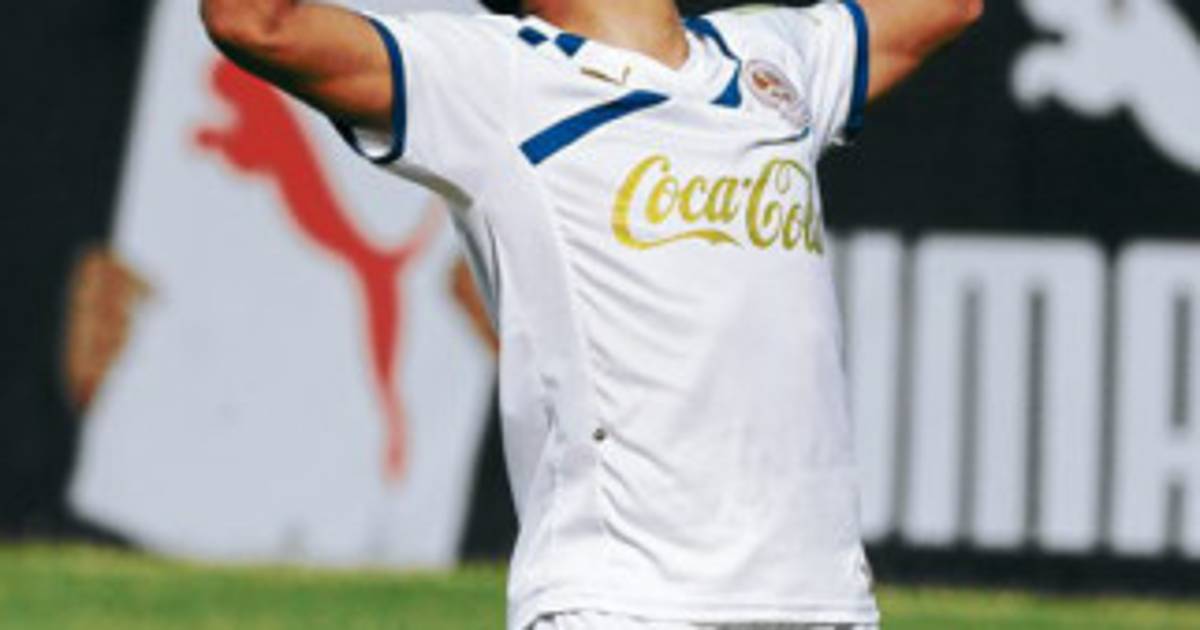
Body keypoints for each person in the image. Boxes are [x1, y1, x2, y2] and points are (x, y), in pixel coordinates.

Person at [199, 0, 982, 628]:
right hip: (627, 599)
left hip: (821, 598)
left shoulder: (772, 57)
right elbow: (254, 21)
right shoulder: (494, 78)